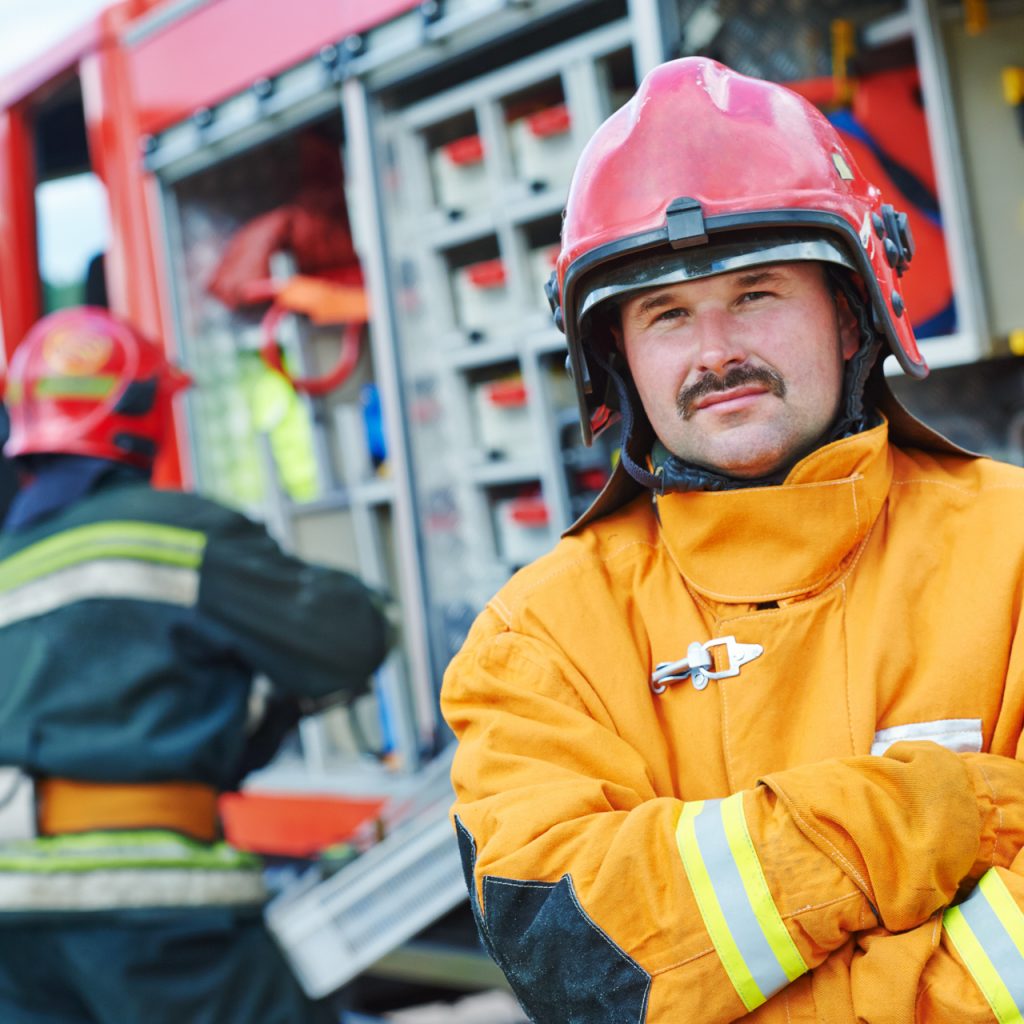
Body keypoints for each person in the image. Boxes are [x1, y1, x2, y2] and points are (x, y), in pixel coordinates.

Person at [441, 57, 1024, 1023]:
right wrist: (927, 812)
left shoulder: (1011, 548)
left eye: (756, 293)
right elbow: (583, 965)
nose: (715, 353)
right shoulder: (536, 641)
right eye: (666, 313)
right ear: (615, 359)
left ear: (851, 315)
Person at [0, 306, 392, 1024]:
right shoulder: (176, 533)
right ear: (143, 411)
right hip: (143, 902)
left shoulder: (7, 560)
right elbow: (349, 639)